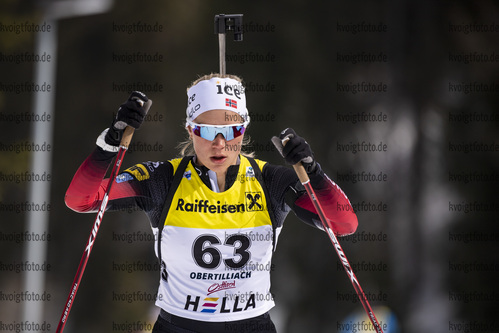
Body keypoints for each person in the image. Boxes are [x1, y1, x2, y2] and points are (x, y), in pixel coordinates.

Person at [65, 73, 358, 332]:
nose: (219, 143)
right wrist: (109, 144)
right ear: (190, 129)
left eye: (231, 131)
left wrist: (314, 174)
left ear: (244, 130)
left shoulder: (271, 180)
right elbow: (81, 200)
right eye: (205, 130)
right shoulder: (162, 179)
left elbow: (344, 224)